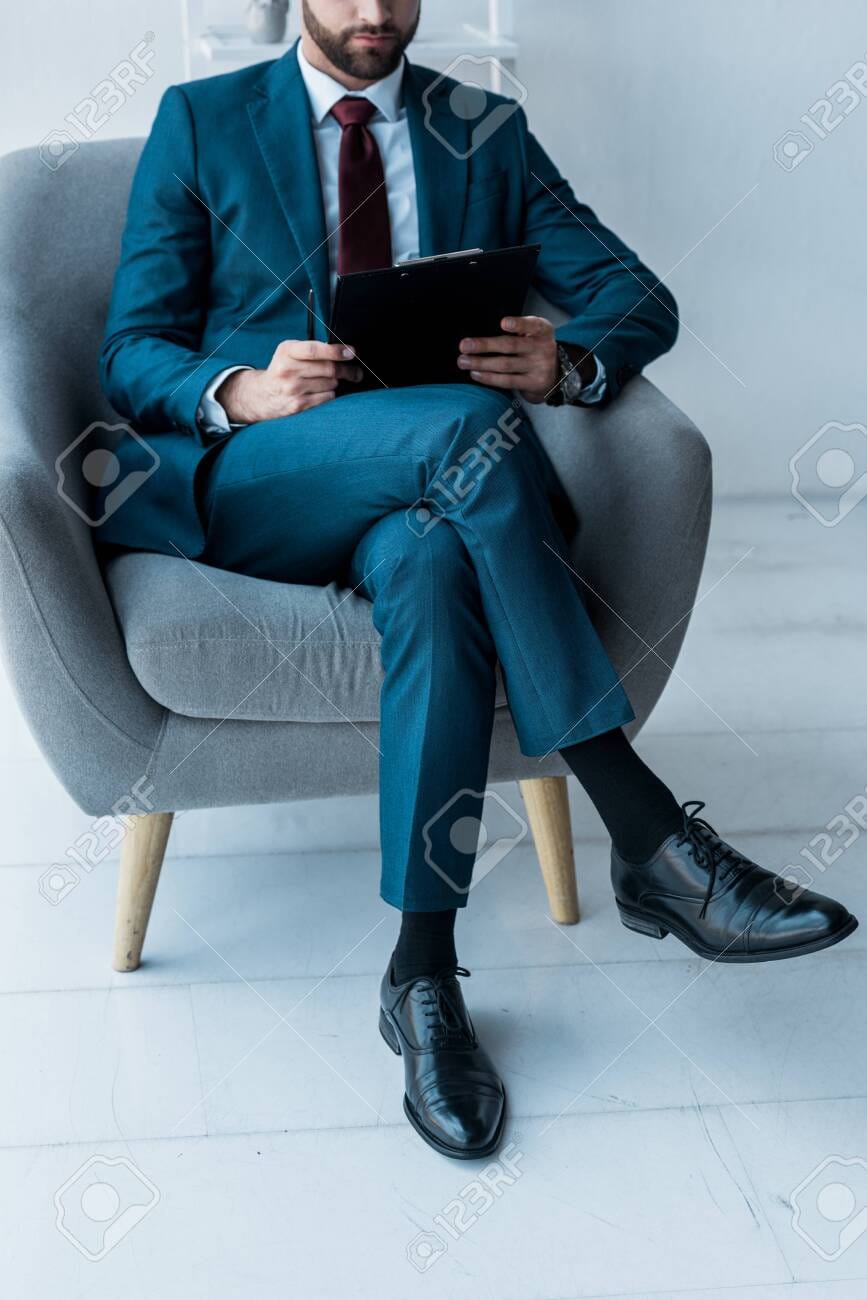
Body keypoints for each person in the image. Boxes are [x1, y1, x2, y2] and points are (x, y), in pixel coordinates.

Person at [96, 0, 857, 1160]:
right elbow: (129, 349)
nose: (374, 13)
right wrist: (240, 386)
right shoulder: (201, 121)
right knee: (466, 432)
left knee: (436, 557)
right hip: (260, 479)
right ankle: (648, 832)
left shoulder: (482, 128)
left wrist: (574, 358)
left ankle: (422, 979)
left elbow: (638, 294)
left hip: (431, 498)